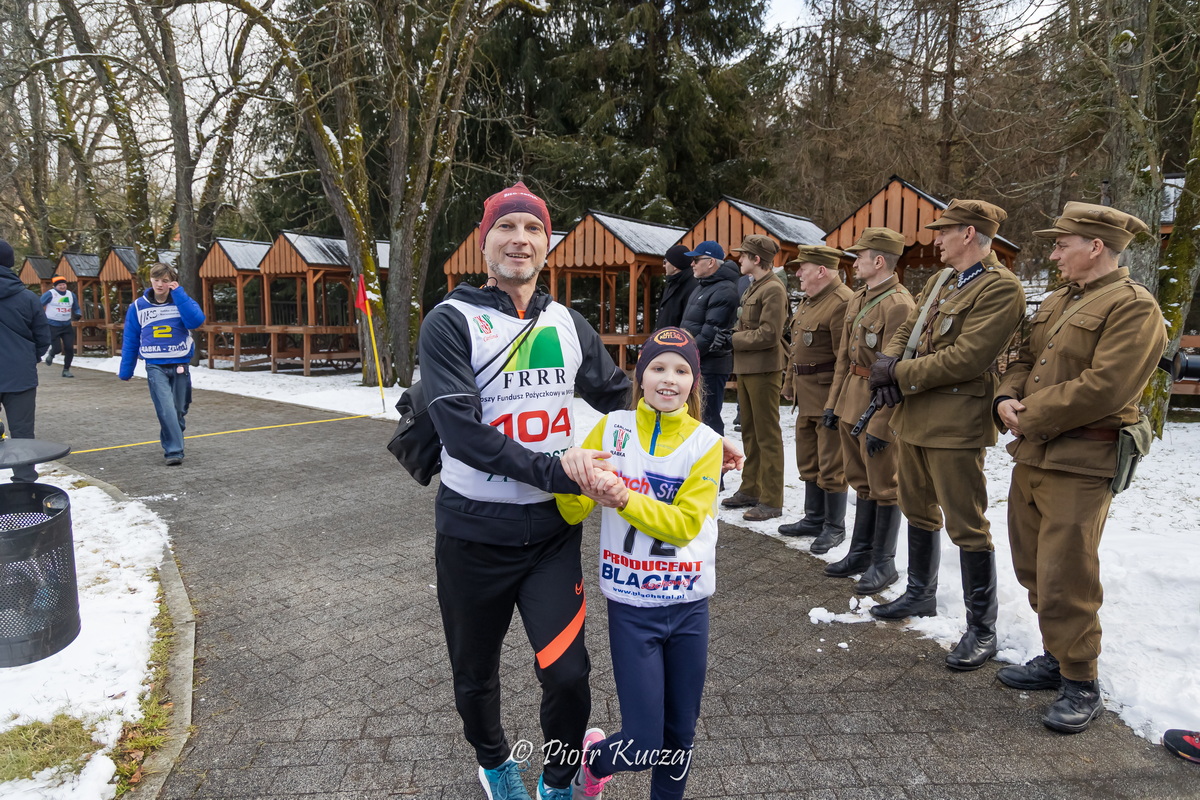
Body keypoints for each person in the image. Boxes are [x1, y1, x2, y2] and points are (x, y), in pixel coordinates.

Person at [418, 181, 632, 800]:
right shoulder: (450, 321)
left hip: (549, 535)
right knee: (474, 677)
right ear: (484, 244)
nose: (520, 239)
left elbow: (621, 397)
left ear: (547, 244)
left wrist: (694, 441)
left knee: (567, 676)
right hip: (472, 531)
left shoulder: (566, 322)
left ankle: (559, 780)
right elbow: (462, 433)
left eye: (533, 228)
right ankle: (494, 764)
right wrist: (559, 469)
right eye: (506, 228)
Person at [994, 202, 1167, 734]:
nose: (1053, 255)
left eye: (1061, 245)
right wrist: (1004, 397)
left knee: (1067, 574)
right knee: (1032, 565)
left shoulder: (1134, 307)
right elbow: (1023, 357)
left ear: (1095, 247)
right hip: (1034, 453)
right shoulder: (1057, 300)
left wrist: (1028, 415)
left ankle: (1080, 680)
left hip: (1081, 461)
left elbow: (1106, 387)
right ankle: (1056, 655)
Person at [555, 327, 721, 800]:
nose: (669, 379)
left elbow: (684, 525)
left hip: (688, 607)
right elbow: (573, 511)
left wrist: (625, 498)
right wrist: (572, 472)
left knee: (680, 736)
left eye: (681, 371)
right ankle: (594, 761)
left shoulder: (707, 443)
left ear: (694, 383)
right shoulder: (613, 428)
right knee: (644, 743)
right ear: (640, 376)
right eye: (658, 367)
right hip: (632, 606)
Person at [867, 199, 1026, 674]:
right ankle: (921, 592)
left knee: (965, 521)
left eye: (944, 231)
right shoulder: (942, 280)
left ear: (969, 234)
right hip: (915, 415)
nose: (935, 239)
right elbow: (909, 330)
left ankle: (982, 628)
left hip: (956, 421)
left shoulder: (1001, 288)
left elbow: (968, 358)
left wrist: (899, 373)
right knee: (916, 506)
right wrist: (888, 362)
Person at [823, 228, 915, 593]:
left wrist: (882, 424)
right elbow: (843, 359)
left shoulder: (899, 305)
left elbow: (895, 374)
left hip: (878, 404)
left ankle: (883, 562)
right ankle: (860, 553)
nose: (854, 262)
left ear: (879, 261)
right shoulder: (860, 297)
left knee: (884, 485)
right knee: (860, 479)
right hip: (852, 397)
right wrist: (833, 404)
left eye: (859, 257)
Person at [777, 245, 853, 553]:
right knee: (809, 459)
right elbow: (797, 348)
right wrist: (789, 383)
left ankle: (834, 526)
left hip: (826, 396)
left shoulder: (841, 302)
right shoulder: (810, 300)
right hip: (806, 395)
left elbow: (844, 360)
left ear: (821, 271)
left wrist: (834, 403)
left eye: (803, 268)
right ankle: (814, 517)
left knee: (831, 463)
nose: (798, 273)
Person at [724, 234, 788, 521]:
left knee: (767, 435)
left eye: (743, 255)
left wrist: (733, 340)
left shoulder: (773, 288)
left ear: (756, 259)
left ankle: (772, 500)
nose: (739, 259)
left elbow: (769, 334)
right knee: (750, 432)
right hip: (748, 367)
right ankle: (751, 488)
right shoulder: (755, 286)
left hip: (763, 369)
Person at [118, 262, 206, 466]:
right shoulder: (138, 306)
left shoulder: (182, 301)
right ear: (150, 280)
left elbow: (195, 322)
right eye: (156, 280)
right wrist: (126, 369)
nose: (159, 284)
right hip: (154, 365)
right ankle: (174, 451)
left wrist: (180, 295)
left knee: (178, 410)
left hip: (180, 364)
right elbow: (131, 338)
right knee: (166, 409)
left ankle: (173, 434)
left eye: (165, 281)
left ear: (172, 282)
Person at [0, 239, 51, 483]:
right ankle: (24, 484)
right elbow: (43, 338)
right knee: (22, 433)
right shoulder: (28, 298)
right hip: (20, 375)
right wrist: (29, 358)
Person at [678, 241, 739, 436]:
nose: (692, 264)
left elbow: (710, 333)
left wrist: (684, 354)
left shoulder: (724, 290)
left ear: (711, 262)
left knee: (708, 419)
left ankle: (717, 456)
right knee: (693, 418)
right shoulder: (702, 287)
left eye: (696, 260)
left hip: (711, 366)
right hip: (695, 362)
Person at [41, 276, 82, 378]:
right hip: (53, 325)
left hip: (66, 325)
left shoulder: (71, 295)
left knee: (69, 348)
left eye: (64, 284)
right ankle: (52, 353)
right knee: (57, 349)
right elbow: (38, 304)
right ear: (55, 286)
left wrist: (78, 314)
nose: (62, 287)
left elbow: (76, 307)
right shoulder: (50, 294)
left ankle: (66, 370)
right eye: (60, 285)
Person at [655, 244, 699, 330]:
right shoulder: (671, 283)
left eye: (665, 262)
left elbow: (690, 322)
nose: (663, 265)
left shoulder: (693, 287)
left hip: (678, 337)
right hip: (664, 336)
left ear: (675, 266)